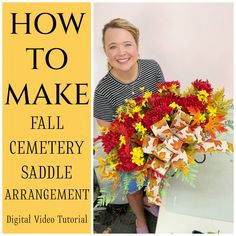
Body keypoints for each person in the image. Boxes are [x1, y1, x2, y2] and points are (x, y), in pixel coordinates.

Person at [94, 18, 165, 233]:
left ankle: (150, 202)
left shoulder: (152, 68)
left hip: (156, 141)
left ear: (137, 46)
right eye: (112, 46)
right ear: (106, 51)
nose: (121, 52)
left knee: (157, 177)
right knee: (133, 188)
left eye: (127, 44)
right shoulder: (103, 92)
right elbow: (109, 140)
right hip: (127, 152)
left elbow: (164, 102)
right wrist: (134, 154)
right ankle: (140, 220)